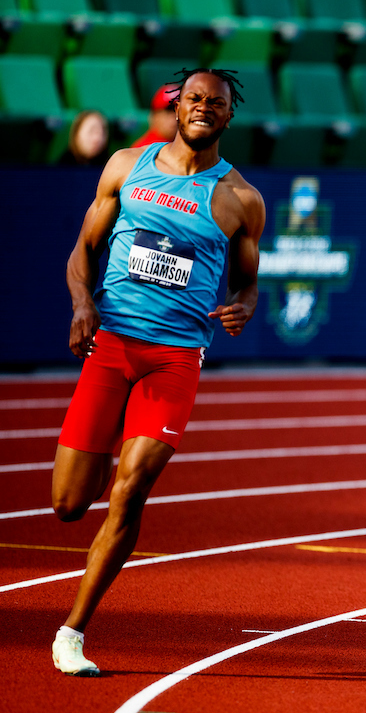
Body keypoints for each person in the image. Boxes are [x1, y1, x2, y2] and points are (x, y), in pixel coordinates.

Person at [50, 69, 265, 677]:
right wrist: (83, 303)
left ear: (228, 116)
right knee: (69, 503)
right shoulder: (125, 166)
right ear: (176, 107)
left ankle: (72, 631)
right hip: (113, 346)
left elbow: (248, 280)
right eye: (193, 99)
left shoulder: (240, 199)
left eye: (215, 104)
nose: (202, 109)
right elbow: (83, 249)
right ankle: (98, 461)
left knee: (132, 487)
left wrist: (244, 304)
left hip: (173, 360)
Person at [131, 84, 180, 148]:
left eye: (180, 110)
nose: (175, 117)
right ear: (154, 117)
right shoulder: (143, 150)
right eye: (169, 111)